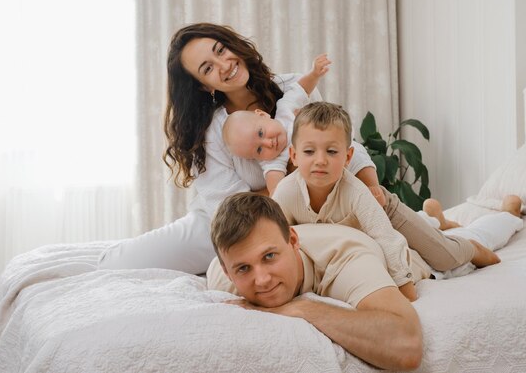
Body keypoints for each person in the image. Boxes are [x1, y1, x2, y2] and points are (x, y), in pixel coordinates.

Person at [97, 23, 377, 274]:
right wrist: (306, 179)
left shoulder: (294, 89)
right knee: (115, 264)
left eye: (221, 50)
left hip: (300, 218)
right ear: (203, 86)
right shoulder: (210, 131)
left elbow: (339, 145)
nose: (224, 64)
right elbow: (233, 206)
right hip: (223, 225)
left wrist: (362, 184)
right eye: (207, 68)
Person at [272, 102, 522, 301]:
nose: (320, 160)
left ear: (348, 157)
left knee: (444, 257)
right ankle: (437, 221)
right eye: (309, 151)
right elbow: (276, 238)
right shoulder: (286, 193)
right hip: (360, 237)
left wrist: (405, 289)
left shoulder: (356, 192)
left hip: (386, 213)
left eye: (332, 151)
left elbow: (386, 239)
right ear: (293, 155)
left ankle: (470, 245)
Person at [206, 192, 423, 371]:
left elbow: (407, 345)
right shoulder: (220, 274)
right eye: (244, 269)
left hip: (403, 252)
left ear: (293, 241)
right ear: (227, 272)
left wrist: (303, 309)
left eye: (269, 256)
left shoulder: (346, 259)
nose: (262, 280)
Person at [223, 53, 331, 196]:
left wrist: (314, 74)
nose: (268, 143)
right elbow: (275, 187)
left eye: (261, 133)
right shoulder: (273, 161)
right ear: (256, 158)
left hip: (329, 151)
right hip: (317, 176)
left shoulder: (285, 110)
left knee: (355, 152)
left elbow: (301, 89)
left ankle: (371, 184)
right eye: (259, 150)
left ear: (263, 114)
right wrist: (278, 197)